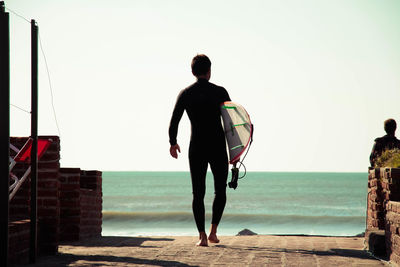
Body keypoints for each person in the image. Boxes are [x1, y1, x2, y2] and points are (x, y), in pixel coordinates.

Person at [168, 54, 231, 246]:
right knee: (220, 190)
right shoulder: (220, 92)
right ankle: (213, 232)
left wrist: (173, 142)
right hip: (218, 146)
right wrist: (236, 150)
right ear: (209, 71)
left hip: (197, 146)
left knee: (198, 193)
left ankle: (202, 236)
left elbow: (174, 120)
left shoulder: (186, 93)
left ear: (193, 71)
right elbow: (231, 122)